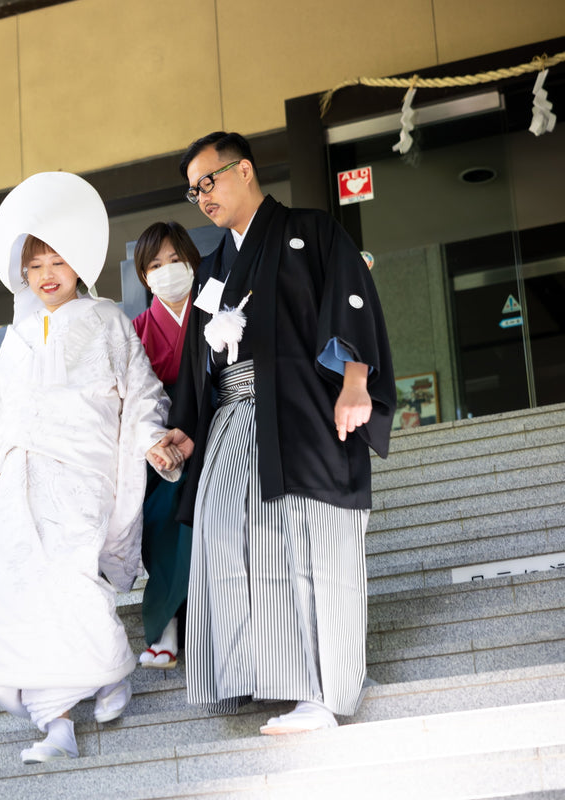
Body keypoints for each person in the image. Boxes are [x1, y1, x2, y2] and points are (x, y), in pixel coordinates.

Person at [0, 171, 180, 764]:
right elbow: (1, 419)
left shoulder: (108, 321)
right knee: (19, 596)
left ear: (78, 265)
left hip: (82, 476)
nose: (48, 273)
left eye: (58, 260)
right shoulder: (17, 337)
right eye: (36, 264)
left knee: (72, 583)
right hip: (20, 486)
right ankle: (55, 726)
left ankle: (110, 671)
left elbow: (143, 394)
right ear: (23, 275)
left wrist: (151, 439)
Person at [153, 132, 395, 735]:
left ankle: (320, 692)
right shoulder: (212, 272)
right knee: (225, 534)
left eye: (208, 181)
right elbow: (194, 366)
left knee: (307, 540)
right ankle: (248, 674)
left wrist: (356, 381)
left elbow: (352, 301)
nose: (201, 196)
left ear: (245, 170)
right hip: (233, 420)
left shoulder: (311, 231)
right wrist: (185, 432)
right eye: (193, 190)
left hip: (303, 411)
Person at [130, 221, 199, 670]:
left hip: (217, 428)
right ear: (144, 277)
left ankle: (176, 623)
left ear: (193, 261)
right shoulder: (134, 329)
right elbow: (131, 399)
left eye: (176, 260)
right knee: (157, 510)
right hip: (159, 442)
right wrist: (155, 441)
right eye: (156, 264)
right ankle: (167, 625)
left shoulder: (217, 309)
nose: (168, 270)